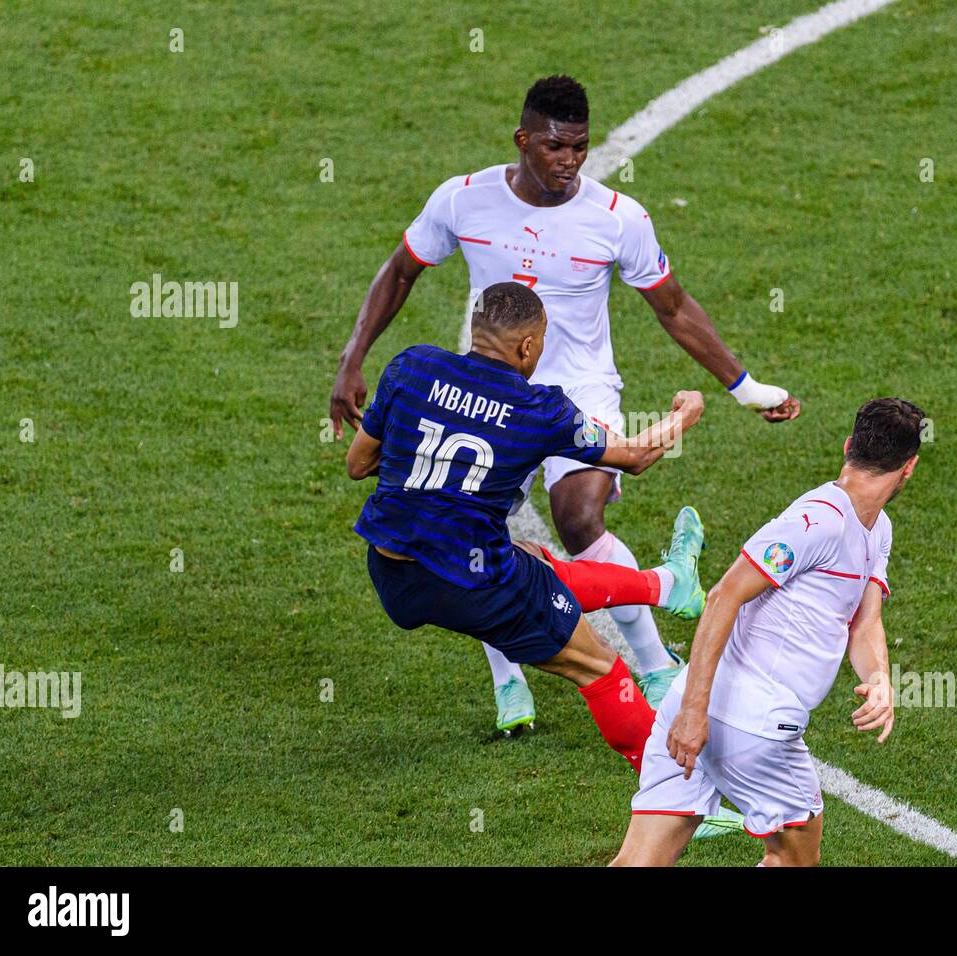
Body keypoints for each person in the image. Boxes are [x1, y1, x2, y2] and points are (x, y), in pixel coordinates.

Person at [330, 74, 801, 732]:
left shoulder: (617, 219)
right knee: (473, 526)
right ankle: (509, 682)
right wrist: (352, 360)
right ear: (523, 140)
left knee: (578, 516)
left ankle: (654, 663)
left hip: (577, 386)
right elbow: (400, 270)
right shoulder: (463, 200)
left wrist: (743, 386)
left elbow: (673, 307)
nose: (570, 161)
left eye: (580, 147)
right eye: (556, 147)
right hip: (486, 386)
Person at [346, 281, 703, 774]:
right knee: (600, 664)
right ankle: (674, 798)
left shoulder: (412, 367)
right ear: (529, 346)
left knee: (534, 561)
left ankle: (666, 584)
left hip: (391, 574)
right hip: (469, 583)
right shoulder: (539, 410)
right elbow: (636, 455)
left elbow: (357, 464)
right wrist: (685, 415)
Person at [611, 399, 924, 866]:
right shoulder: (818, 522)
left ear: (848, 447)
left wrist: (879, 677)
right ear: (909, 468)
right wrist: (695, 713)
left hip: (698, 703)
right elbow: (722, 596)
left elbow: (866, 621)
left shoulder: (878, 530)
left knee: (640, 861)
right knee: (795, 859)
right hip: (750, 727)